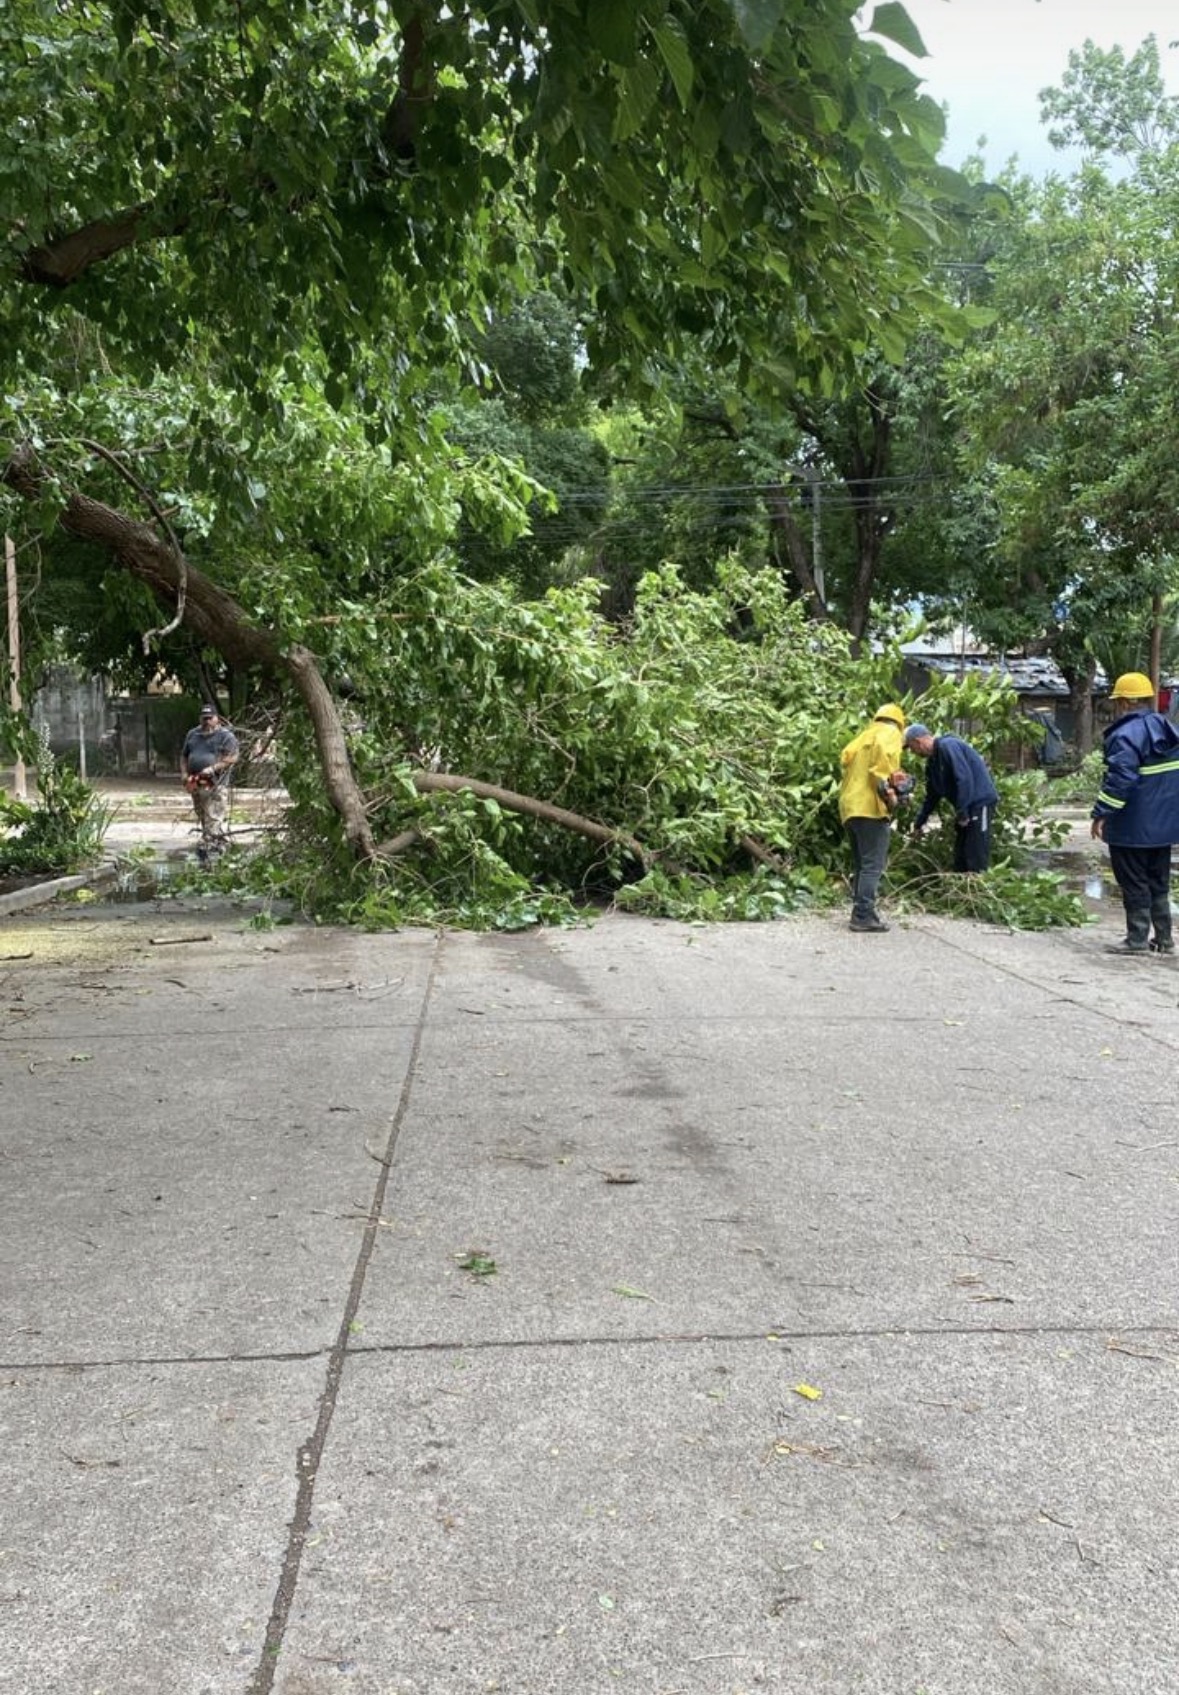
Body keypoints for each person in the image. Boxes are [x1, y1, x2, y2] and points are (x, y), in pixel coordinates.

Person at [1090, 672, 1179, 955]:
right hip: (1163, 827)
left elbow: (1121, 780)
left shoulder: (1125, 735)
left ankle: (1137, 939)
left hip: (1132, 827)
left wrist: (1101, 813)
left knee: (1134, 880)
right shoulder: (1167, 728)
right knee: (1158, 881)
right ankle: (1164, 939)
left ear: (1126, 702)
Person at [839, 703, 906, 933]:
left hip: (850, 807)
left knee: (861, 864)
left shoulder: (864, 736)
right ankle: (863, 915)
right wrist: (891, 796)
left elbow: (845, 759)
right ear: (899, 723)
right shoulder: (890, 734)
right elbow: (881, 771)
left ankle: (862, 910)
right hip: (870, 808)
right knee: (872, 866)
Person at [903, 724, 1000, 872]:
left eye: (911, 747)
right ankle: (963, 889)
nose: (912, 752)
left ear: (918, 741)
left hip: (979, 803)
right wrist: (918, 824)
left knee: (976, 854)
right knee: (961, 855)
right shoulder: (932, 764)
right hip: (966, 808)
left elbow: (963, 778)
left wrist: (962, 812)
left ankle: (980, 889)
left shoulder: (948, 745)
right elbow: (931, 797)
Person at [180, 703, 239, 860]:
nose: (206, 722)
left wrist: (213, 768)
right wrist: (184, 773)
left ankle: (208, 845)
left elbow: (232, 757)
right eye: (204, 718)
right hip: (196, 780)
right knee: (202, 812)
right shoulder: (192, 734)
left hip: (216, 781)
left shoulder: (226, 736)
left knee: (214, 814)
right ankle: (221, 843)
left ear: (216, 718)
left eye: (210, 718)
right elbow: (184, 756)